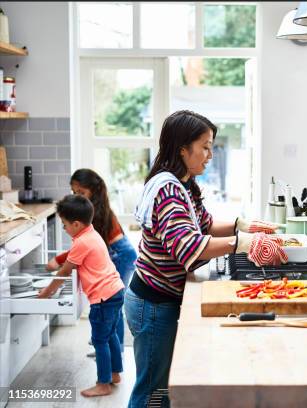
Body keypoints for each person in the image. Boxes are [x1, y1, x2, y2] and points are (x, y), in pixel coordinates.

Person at [125, 110, 286, 408]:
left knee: (161, 391)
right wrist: (243, 242)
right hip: (152, 304)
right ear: (182, 149)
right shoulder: (168, 192)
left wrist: (243, 225)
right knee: (151, 393)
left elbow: (204, 225)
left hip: (160, 298)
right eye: (205, 146)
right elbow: (190, 247)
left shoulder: (182, 183)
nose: (210, 154)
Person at [38, 195, 125, 397]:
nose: (64, 229)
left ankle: (103, 384)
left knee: (99, 340)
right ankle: (114, 374)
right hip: (115, 291)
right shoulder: (92, 234)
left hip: (103, 299)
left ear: (76, 224)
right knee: (110, 334)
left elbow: (64, 272)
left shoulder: (81, 243)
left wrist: (47, 292)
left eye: (64, 225)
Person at [48, 168, 137, 352]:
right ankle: (110, 347)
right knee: (113, 306)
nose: (78, 196)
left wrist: (58, 260)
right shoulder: (95, 207)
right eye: (74, 192)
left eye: (81, 192)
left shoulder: (92, 212)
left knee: (113, 307)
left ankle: (113, 349)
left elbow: (82, 248)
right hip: (122, 252)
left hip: (120, 254)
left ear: (93, 190)